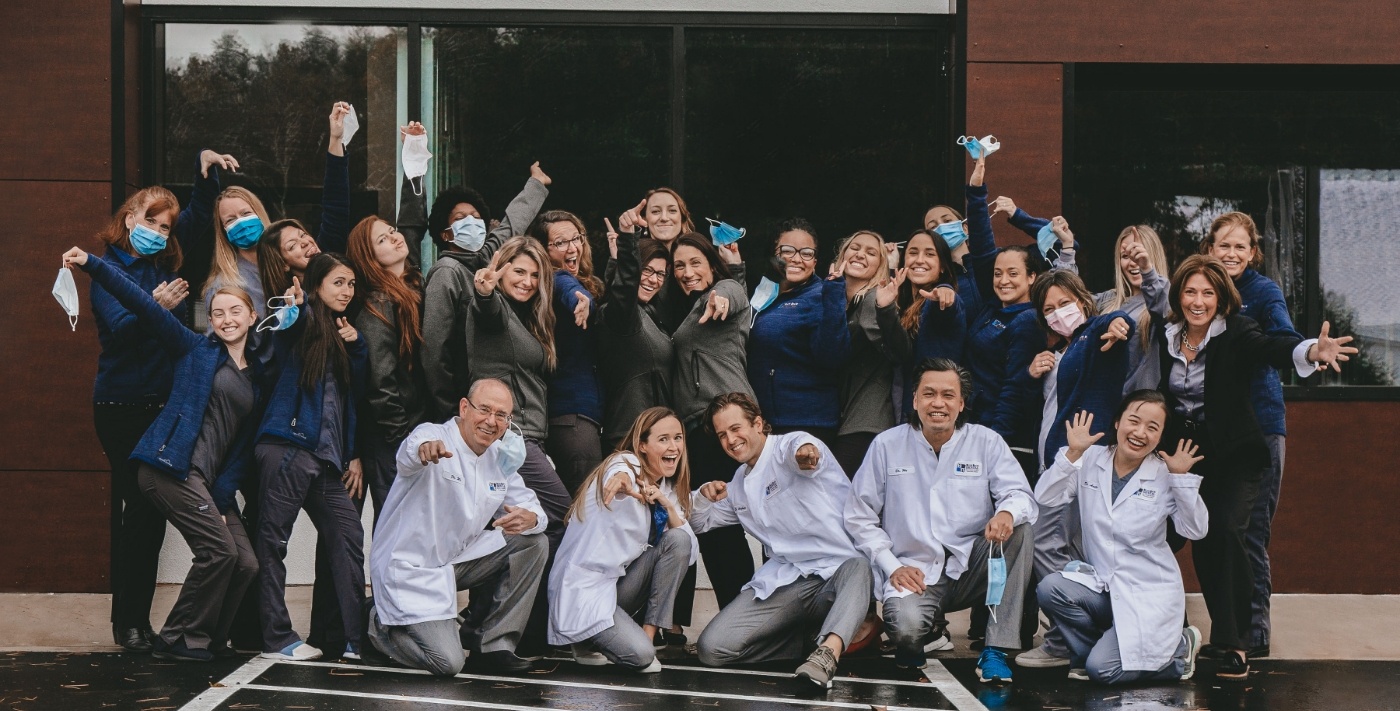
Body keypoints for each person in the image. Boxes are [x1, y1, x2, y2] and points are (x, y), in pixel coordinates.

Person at [1150, 255, 1355, 679]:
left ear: (1221, 297)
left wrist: (1312, 349)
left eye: (1208, 292)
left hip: (1237, 455)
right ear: (1178, 295)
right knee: (1199, 540)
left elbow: (1273, 347)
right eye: (1190, 291)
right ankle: (1217, 633)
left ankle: (1237, 643)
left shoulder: (1238, 331)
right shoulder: (1166, 334)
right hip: (1188, 455)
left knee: (1227, 531)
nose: (1198, 301)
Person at [65, 246, 264, 662]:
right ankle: (177, 638)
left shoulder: (258, 377)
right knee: (220, 552)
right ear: (209, 322)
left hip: (207, 482)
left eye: (235, 312)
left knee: (245, 562)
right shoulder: (194, 351)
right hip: (168, 469)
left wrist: (223, 498)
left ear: (252, 316)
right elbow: (141, 303)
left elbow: (240, 450)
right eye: (218, 314)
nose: (226, 320)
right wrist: (93, 265)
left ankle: (209, 638)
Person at [89, 152, 228, 653]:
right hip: (121, 407)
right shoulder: (110, 269)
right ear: (129, 220)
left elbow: (192, 222)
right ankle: (128, 624)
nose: (162, 231)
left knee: (149, 517)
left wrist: (204, 174)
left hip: (161, 406)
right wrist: (158, 308)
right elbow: (121, 333)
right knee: (140, 514)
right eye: (152, 221)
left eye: (165, 226)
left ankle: (136, 624)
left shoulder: (158, 265)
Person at [845, 358, 1037, 685]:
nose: (938, 403)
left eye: (948, 395)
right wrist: (894, 567)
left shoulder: (985, 441)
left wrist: (1005, 512)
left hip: (971, 566)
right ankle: (919, 633)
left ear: (961, 404)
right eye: (929, 393)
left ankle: (996, 649)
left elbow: (1020, 494)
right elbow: (858, 517)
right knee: (906, 633)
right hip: (913, 570)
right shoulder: (887, 445)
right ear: (915, 400)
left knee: (1021, 528)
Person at [367, 379, 549, 676]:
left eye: (501, 415)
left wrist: (530, 517)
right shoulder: (434, 435)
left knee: (534, 542)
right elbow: (409, 453)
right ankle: (376, 626)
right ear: (465, 408)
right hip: (410, 569)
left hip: (455, 563)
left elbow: (534, 508)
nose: (491, 421)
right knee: (448, 663)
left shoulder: (498, 459)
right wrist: (424, 450)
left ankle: (492, 645)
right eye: (484, 410)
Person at [691, 393, 873, 689]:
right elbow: (700, 522)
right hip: (788, 583)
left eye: (736, 429)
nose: (731, 440)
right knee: (712, 649)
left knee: (860, 565)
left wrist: (806, 453)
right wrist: (701, 496)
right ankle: (815, 640)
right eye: (723, 435)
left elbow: (803, 450)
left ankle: (827, 654)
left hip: (837, 574)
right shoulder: (738, 485)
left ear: (759, 424)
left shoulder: (789, 447)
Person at [1035, 397, 1208, 684]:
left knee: (1104, 671)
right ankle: (1087, 654)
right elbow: (1046, 497)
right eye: (1134, 421)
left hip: (1148, 594)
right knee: (1051, 588)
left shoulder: (1165, 475)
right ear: (1118, 422)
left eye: (1152, 427)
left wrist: (1181, 479)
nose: (1140, 433)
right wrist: (1072, 455)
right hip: (1104, 587)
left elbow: (1195, 530)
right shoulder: (1089, 459)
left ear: (1161, 436)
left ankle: (1179, 652)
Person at [253, 253, 368, 662]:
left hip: (326, 461)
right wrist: (296, 308)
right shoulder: (304, 323)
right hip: (288, 448)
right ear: (317, 284)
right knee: (272, 543)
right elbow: (286, 330)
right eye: (338, 282)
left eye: (352, 284)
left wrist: (353, 455)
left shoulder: (345, 335)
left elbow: (350, 403)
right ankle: (277, 640)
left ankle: (356, 640)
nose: (347, 291)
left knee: (349, 537)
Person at [1015, 269, 1133, 670]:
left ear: (1083, 301)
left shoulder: (1095, 330)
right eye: (1048, 309)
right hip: (1057, 462)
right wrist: (1033, 376)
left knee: (1044, 543)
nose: (1057, 313)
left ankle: (1064, 639)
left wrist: (1121, 324)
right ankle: (1080, 632)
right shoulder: (1061, 351)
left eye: (1063, 303)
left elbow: (1122, 323)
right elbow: (1046, 409)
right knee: (1072, 548)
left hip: (1081, 458)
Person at [1200, 211, 1300, 659]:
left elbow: (1282, 338)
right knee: (1212, 532)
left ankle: (1252, 636)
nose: (1232, 253)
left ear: (1253, 252)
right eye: (1225, 245)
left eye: (1241, 246)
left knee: (1249, 532)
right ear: (1210, 249)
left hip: (1259, 427)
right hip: (1212, 431)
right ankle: (1228, 627)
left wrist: (1308, 349)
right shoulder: (1202, 292)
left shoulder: (1262, 292)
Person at [549, 407, 697, 671]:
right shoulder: (627, 463)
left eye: (678, 437)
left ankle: (648, 637)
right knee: (639, 657)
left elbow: (688, 552)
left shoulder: (665, 489)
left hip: (617, 587)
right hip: (584, 589)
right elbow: (618, 472)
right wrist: (622, 481)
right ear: (642, 446)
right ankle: (590, 639)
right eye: (663, 439)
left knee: (679, 540)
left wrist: (668, 507)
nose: (673, 446)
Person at [417, 152, 551, 421]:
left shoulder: (483, 260)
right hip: (461, 408)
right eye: (461, 218)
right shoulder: (446, 272)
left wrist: (536, 185)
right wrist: (451, 410)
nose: (472, 221)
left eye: (476, 217)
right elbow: (435, 349)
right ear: (445, 234)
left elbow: (510, 227)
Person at [989, 202, 1168, 395]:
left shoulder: (1164, 299)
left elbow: (1164, 307)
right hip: (1098, 405)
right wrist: (1066, 247)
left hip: (1136, 410)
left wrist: (1148, 270)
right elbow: (1065, 294)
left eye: (1139, 254)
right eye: (1125, 255)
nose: (1133, 262)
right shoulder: (1110, 299)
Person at [667, 233, 756, 612]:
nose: (687, 272)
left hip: (722, 425)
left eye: (695, 263)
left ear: (712, 266)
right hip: (699, 429)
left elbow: (733, 292)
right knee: (712, 527)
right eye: (679, 266)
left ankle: (744, 618)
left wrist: (725, 288)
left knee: (723, 528)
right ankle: (737, 619)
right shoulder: (687, 307)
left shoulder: (719, 295)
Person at [466, 237, 572, 546]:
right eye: (520, 272)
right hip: (510, 434)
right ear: (501, 271)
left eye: (535, 275)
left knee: (514, 522)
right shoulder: (497, 311)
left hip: (526, 437)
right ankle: (534, 593)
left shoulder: (530, 317)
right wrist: (484, 292)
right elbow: (488, 310)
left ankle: (507, 591)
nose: (528, 282)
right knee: (561, 513)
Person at [208, 102, 352, 319]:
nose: (305, 243)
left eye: (246, 214)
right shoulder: (280, 301)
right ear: (282, 263)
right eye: (230, 220)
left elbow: (336, 208)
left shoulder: (326, 263)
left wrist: (335, 140)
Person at [747, 218, 851, 443]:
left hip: (807, 424)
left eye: (806, 253)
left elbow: (832, 357)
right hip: (766, 424)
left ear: (815, 261)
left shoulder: (821, 294)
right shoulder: (764, 292)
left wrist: (834, 293)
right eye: (787, 250)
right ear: (774, 253)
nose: (796, 259)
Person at [529, 210, 606, 494]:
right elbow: (568, 289)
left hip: (584, 414)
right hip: (571, 416)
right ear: (544, 250)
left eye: (577, 238)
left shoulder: (584, 279)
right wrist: (582, 301)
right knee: (584, 504)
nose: (573, 248)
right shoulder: (555, 280)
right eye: (561, 243)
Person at [829, 230, 910, 475]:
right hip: (836, 416)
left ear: (879, 266)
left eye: (871, 252)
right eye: (855, 248)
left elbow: (901, 354)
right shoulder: (834, 297)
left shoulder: (875, 299)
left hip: (867, 418)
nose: (860, 254)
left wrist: (885, 311)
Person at [597, 229, 674, 450]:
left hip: (659, 436)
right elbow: (623, 290)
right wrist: (629, 239)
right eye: (646, 270)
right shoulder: (618, 314)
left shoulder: (654, 315)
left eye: (660, 274)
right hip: (628, 434)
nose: (653, 280)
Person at [896, 229, 966, 417]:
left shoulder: (936, 302)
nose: (919, 260)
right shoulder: (901, 305)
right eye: (912, 253)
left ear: (943, 266)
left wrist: (945, 290)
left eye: (929, 254)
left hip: (934, 414)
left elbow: (947, 306)